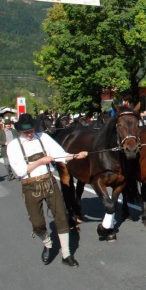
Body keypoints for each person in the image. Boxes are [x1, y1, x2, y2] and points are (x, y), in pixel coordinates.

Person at [7, 113, 88, 268]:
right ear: (20, 131)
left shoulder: (43, 137)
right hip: (30, 185)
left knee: (62, 217)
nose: (30, 134)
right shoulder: (13, 146)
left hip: (49, 181)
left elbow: (60, 154)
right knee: (37, 223)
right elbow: (19, 171)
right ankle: (48, 243)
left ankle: (66, 254)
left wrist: (76, 156)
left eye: (31, 130)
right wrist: (41, 161)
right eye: (26, 132)